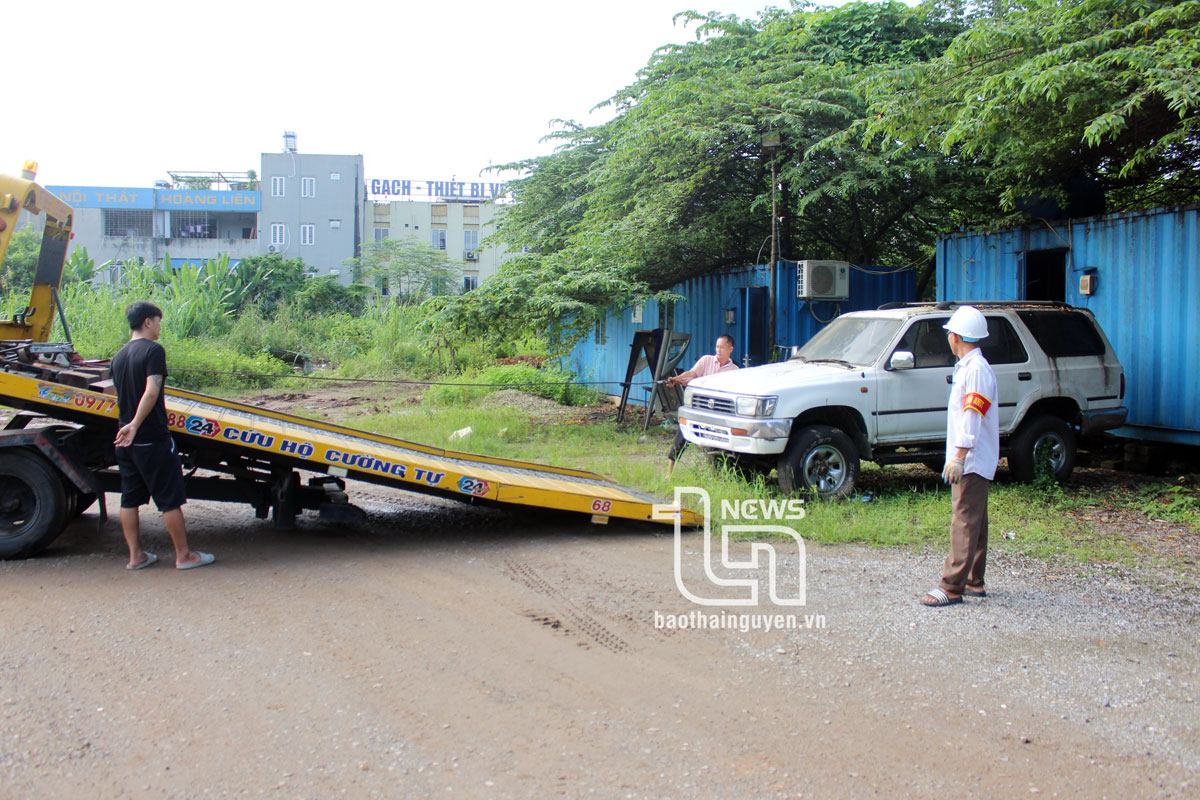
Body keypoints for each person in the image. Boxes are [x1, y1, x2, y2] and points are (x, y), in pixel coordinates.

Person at [111, 301, 214, 571]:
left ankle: (136, 557)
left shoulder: (119, 356)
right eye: (158, 321)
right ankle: (184, 556)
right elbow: (151, 390)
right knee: (169, 499)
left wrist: (128, 425)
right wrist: (136, 423)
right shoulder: (153, 350)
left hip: (125, 441)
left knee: (129, 498)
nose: (159, 326)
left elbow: (118, 394)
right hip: (150, 437)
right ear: (147, 322)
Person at [921, 306, 998, 607]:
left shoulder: (976, 370)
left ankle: (951, 587)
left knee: (964, 520)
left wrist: (959, 456)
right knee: (975, 519)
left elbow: (972, 416)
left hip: (973, 458)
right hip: (975, 457)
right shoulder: (970, 367)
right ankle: (973, 581)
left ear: (955, 337)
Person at [665, 334, 739, 476]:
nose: (719, 350)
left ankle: (712, 473)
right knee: (682, 436)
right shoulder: (706, 360)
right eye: (717, 347)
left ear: (731, 349)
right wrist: (676, 379)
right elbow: (692, 374)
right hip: (698, 408)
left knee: (720, 446)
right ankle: (669, 473)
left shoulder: (734, 370)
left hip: (717, 413)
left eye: (722, 347)